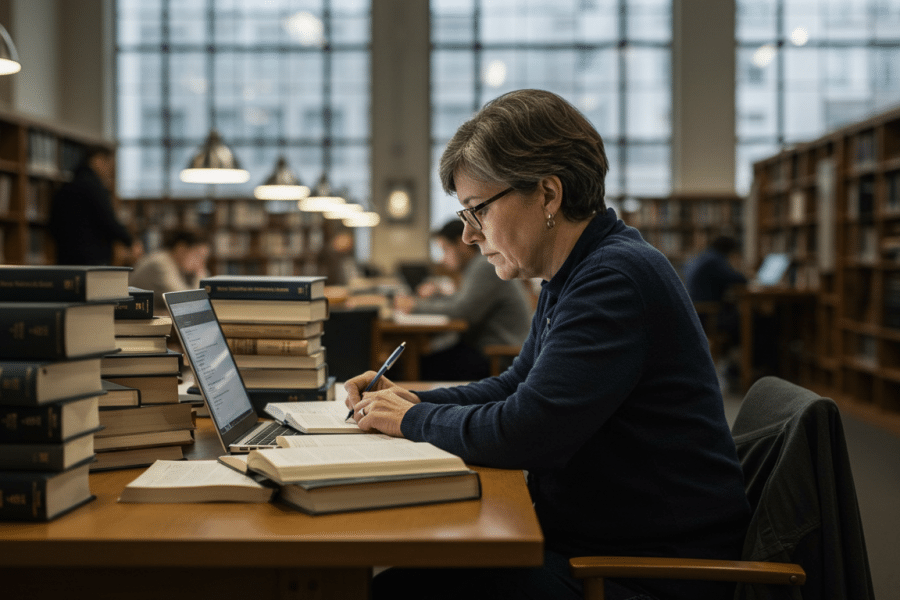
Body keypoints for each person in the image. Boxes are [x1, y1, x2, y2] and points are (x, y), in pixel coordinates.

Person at [344, 90, 751, 600]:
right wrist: (408, 402)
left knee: (399, 591)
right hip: (603, 544)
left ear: (548, 195)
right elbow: (518, 385)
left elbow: (526, 432)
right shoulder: (578, 271)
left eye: (478, 211)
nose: (469, 236)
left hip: (645, 573)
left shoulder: (613, 279)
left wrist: (409, 420)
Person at [393, 219, 533, 380]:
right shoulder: (476, 266)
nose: (442, 259)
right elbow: (459, 302)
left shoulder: (484, 266)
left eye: (445, 250)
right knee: (418, 360)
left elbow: (462, 311)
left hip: (498, 356)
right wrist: (431, 299)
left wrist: (414, 306)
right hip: (488, 349)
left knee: (414, 366)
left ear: (461, 244)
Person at [49, 145, 142, 265]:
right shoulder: (94, 187)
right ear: (97, 160)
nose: (110, 170)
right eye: (108, 164)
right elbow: (108, 220)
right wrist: (130, 241)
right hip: (92, 260)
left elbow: (52, 225)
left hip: (65, 258)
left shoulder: (66, 186)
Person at [129, 229, 210, 313]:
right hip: (131, 318)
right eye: (198, 256)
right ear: (181, 249)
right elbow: (187, 301)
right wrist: (200, 275)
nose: (201, 263)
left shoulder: (171, 263)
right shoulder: (160, 263)